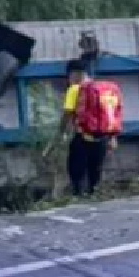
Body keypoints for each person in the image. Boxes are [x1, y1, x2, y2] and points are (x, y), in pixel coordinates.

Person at [46, 58, 117, 196]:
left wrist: (60, 134)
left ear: (73, 74)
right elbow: (111, 113)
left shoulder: (74, 90)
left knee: (75, 168)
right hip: (103, 137)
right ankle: (94, 194)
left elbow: (67, 114)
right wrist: (113, 137)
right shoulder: (103, 89)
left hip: (82, 137)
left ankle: (78, 195)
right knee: (95, 169)